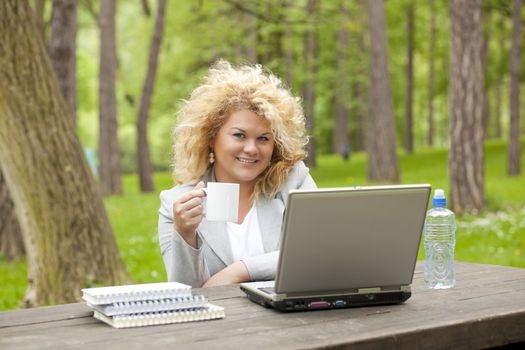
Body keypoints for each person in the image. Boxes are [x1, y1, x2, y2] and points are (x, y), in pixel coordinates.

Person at [158, 60, 316, 288]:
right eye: (239, 135)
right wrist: (185, 234)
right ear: (211, 137)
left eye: (263, 138)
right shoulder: (176, 204)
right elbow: (187, 290)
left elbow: (313, 252)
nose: (251, 148)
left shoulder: (292, 180)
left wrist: (240, 271)